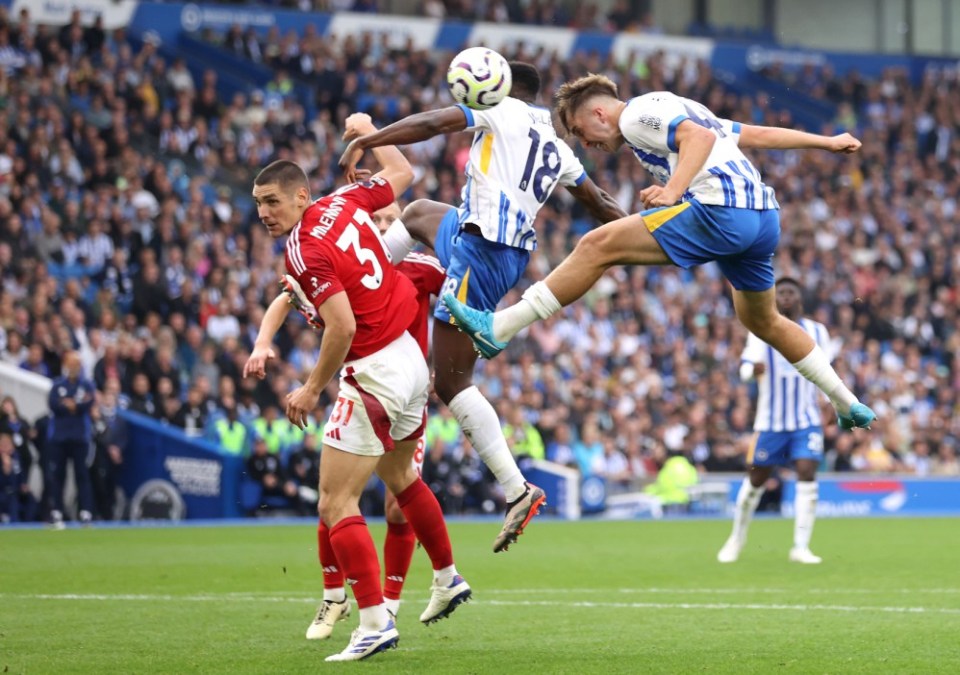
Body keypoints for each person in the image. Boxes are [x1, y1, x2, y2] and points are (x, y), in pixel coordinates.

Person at [443, 73, 876, 434]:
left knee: (598, 245)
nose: (584, 144)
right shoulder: (676, 104)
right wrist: (825, 141)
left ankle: (500, 327)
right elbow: (752, 134)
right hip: (763, 220)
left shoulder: (634, 117)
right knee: (761, 321)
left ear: (598, 112)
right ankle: (846, 401)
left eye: (579, 132)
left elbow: (699, 138)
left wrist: (672, 191)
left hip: (723, 211)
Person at [339, 62, 628, 552]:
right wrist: (652, 238)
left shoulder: (499, 110)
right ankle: (359, 282)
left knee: (451, 382)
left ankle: (517, 490)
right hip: (483, 239)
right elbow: (599, 202)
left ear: (497, 88)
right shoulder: (556, 145)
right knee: (417, 214)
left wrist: (369, 139)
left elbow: (431, 124)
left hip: (486, 252)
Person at [244, 114, 469, 662]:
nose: (265, 214)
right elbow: (403, 169)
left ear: (300, 196)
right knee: (401, 478)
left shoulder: (303, 248)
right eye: (258, 204)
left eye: (273, 202)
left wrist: (310, 388)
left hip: (374, 368)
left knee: (334, 499)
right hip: (411, 360)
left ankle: (371, 621)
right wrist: (369, 135)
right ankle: (447, 576)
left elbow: (341, 327)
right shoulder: (343, 203)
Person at [306, 199, 446, 640]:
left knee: (387, 502)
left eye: (393, 221)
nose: (386, 226)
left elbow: (460, 295)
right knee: (336, 495)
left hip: (405, 388)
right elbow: (291, 297)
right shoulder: (348, 264)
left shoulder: (420, 265)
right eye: (379, 219)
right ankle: (334, 596)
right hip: (371, 383)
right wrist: (263, 342)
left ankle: (388, 604)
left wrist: (452, 361)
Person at [718, 278, 833, 564]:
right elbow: (745, 364)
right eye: (780, 293)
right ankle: (737, 538)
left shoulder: (818, 331)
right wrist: (750, 371)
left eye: (790, 292)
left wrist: (830, 402)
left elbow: (825, 368)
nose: (785, 297)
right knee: (756, 480)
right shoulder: (761, 330)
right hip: (770, 422)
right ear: (773, 298)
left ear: (799, 298)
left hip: (806, 419)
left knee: (807, 472)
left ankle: (800, 546)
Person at [46, 351, 97, 527]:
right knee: (58, 476)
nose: (74, 367)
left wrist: (70, 404)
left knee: (82, 475)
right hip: (60, 438)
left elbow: (88, 403)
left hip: (79, 438)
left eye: (77, 363)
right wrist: (75, 405)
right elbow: (54, 405)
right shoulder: (57, 385)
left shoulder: (87, 385)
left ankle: (85, 512)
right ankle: (57, 511)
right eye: (71, 363)